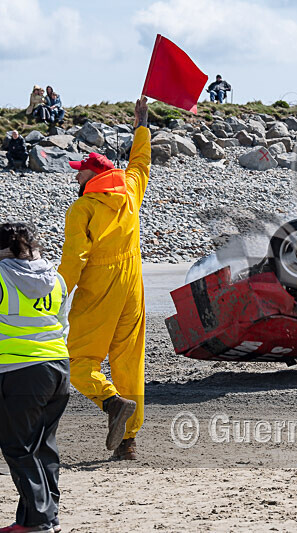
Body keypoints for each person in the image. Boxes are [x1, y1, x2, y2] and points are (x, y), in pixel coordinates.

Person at [58, 96, 151, 461]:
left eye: (81, 171)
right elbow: (140, 162)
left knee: (77, 362)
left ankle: (113, 403)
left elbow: (75, 259)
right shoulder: (129, 191)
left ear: (94, 175)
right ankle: (128, 442)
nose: (76, 175)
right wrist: (141, 125)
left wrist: (53, 297)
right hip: (132, 283)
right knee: (129, 360)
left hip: (99, 286)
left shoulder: (82, 208)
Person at [0, 222, 70, 533]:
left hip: (19, 371)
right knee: (43, 447)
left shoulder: (2, 276)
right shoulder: (55, 277)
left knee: (18, 447)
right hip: (57, 366)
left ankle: (38, 522)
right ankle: (42, 518)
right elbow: (62, 321)